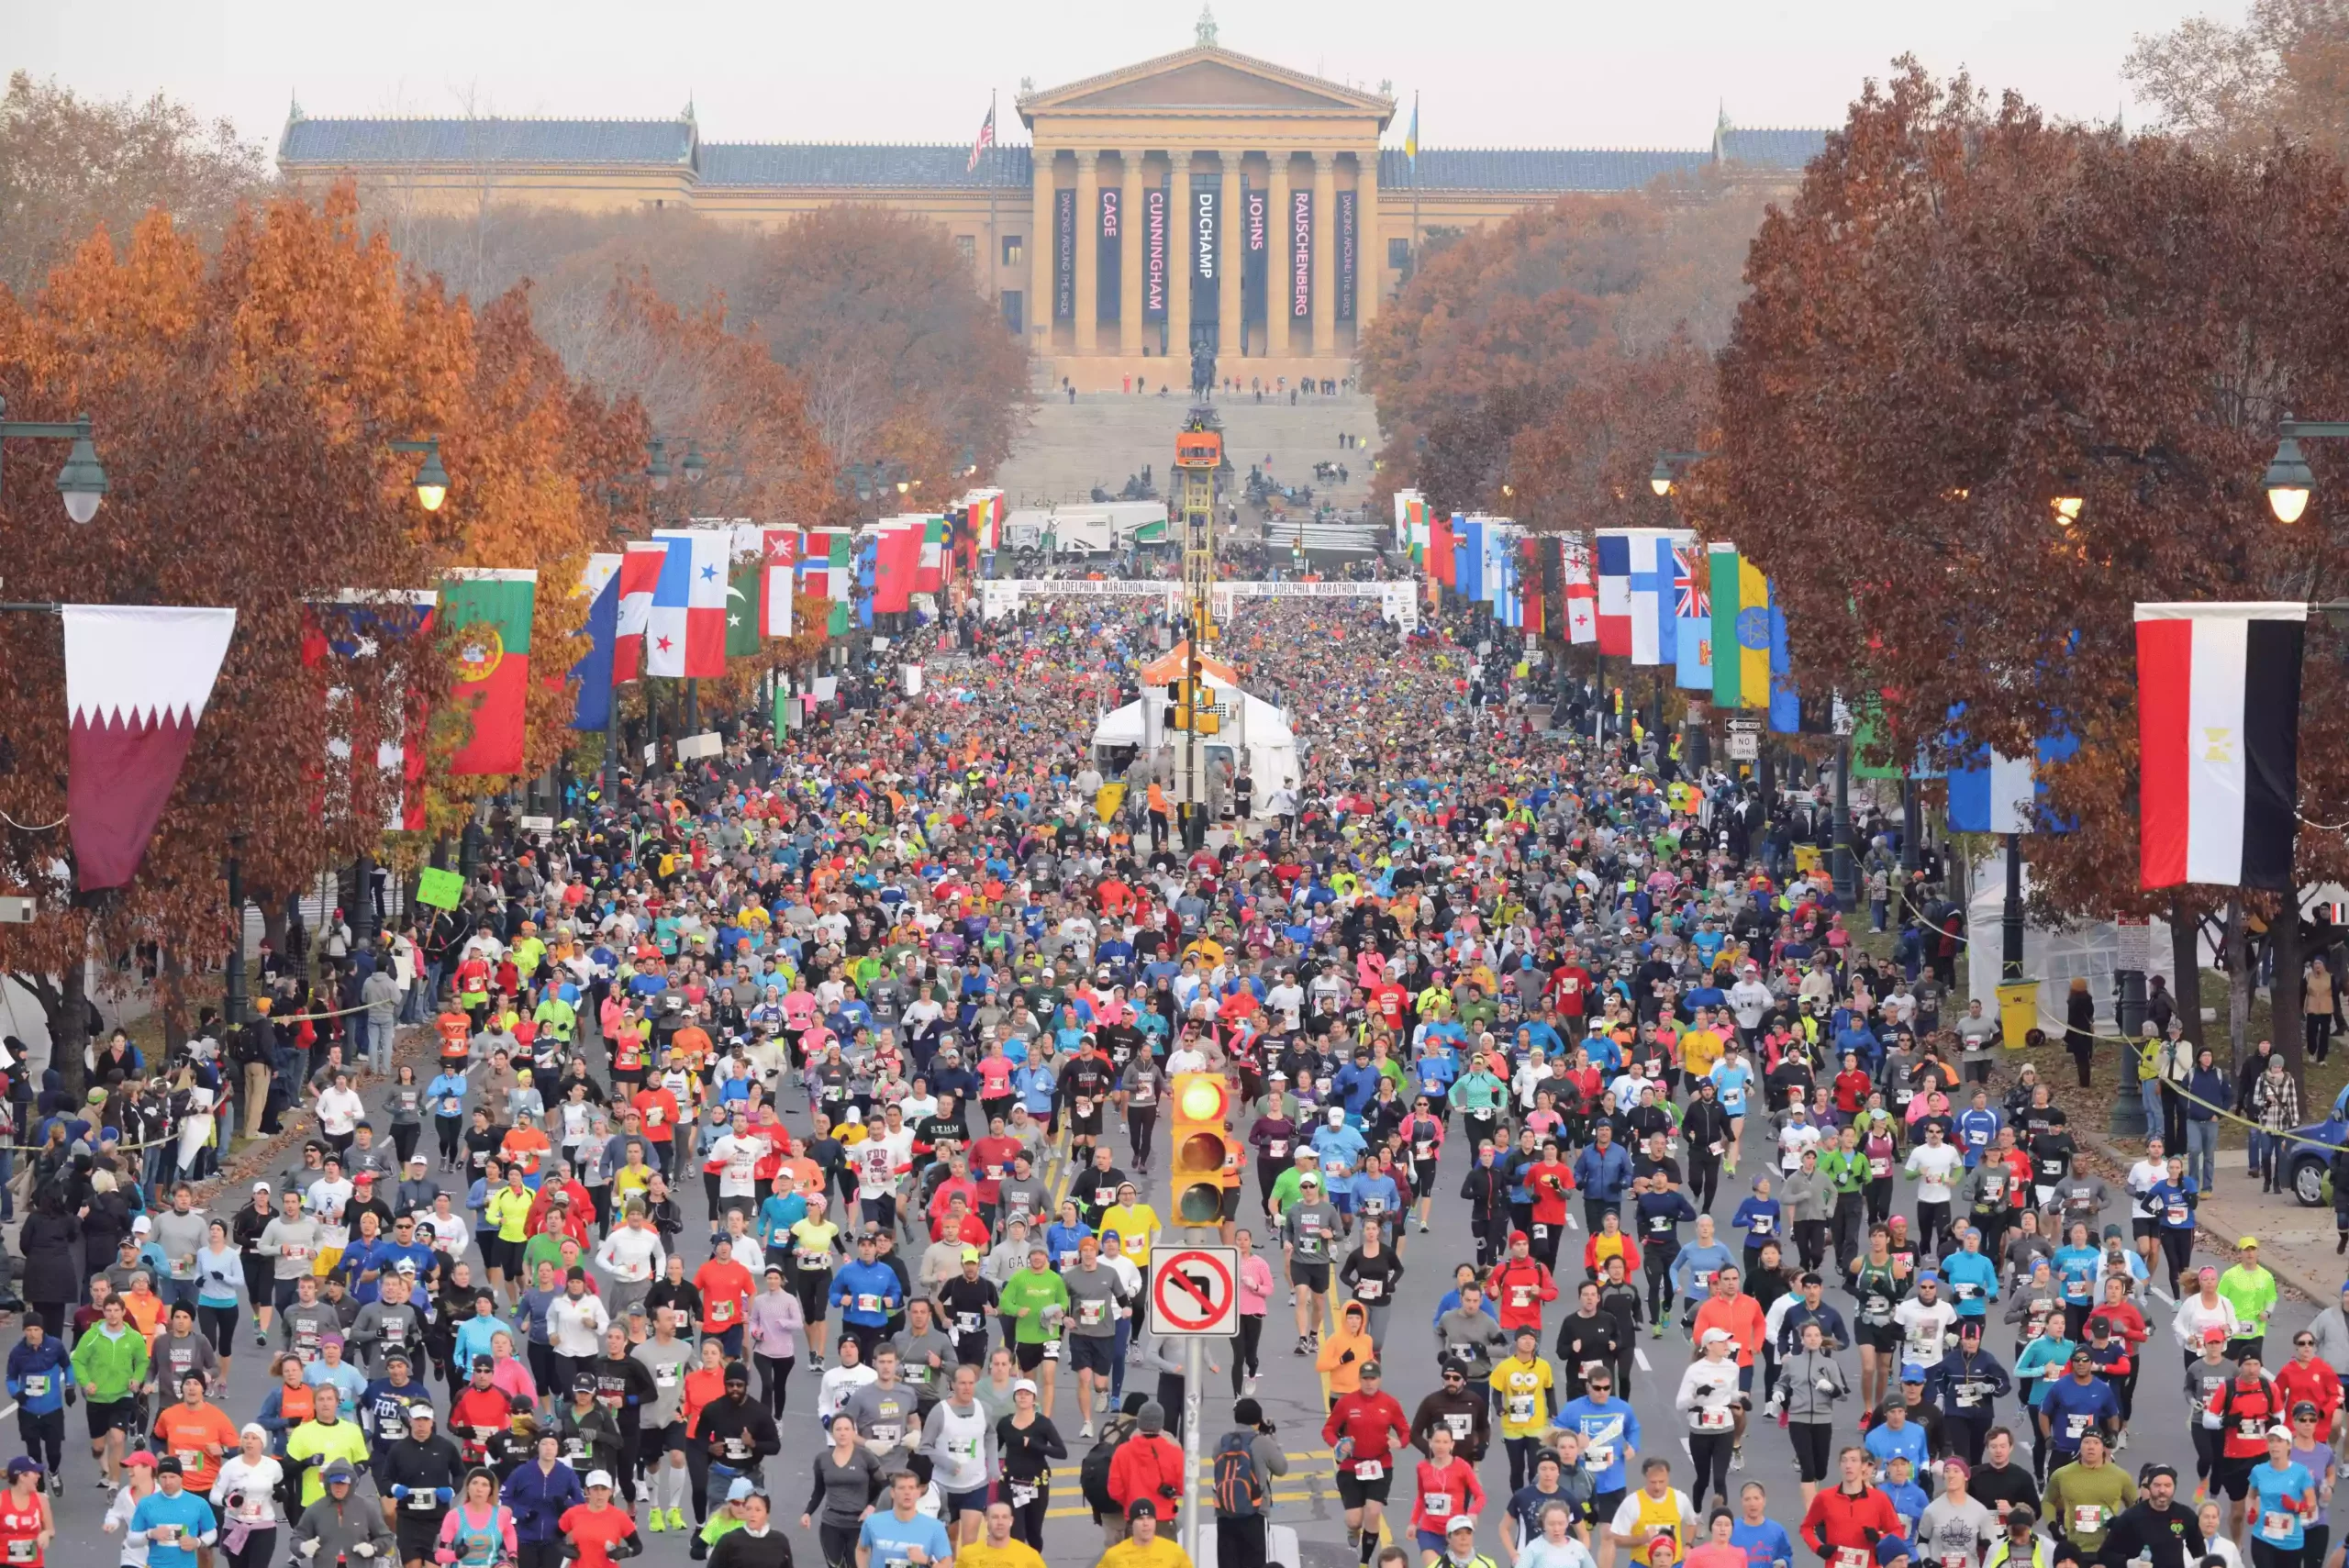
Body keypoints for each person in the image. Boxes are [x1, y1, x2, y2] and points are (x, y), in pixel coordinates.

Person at [854, 1469, 952, 1568]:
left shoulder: (935, 1527)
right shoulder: (872, 1522)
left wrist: (926, 1560)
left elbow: (947, 1565)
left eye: (911, 1488)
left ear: (918, 1493)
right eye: (901, 1488)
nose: (907, 1492)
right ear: (892, 1492)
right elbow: (862, 1550)